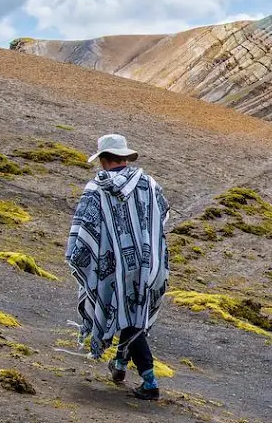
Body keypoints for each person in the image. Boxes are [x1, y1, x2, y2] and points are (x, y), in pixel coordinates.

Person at [65, 134, 170, 400]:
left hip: (112, 266)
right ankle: (120, 366)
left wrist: (82, 257)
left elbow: (84, 230)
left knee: (128, 316)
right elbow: (162, 216)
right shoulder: (150, 184)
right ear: (124, 157)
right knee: (132, 313)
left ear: (102, 160)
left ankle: (150, 382)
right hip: (149, 265)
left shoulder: (97, 188)